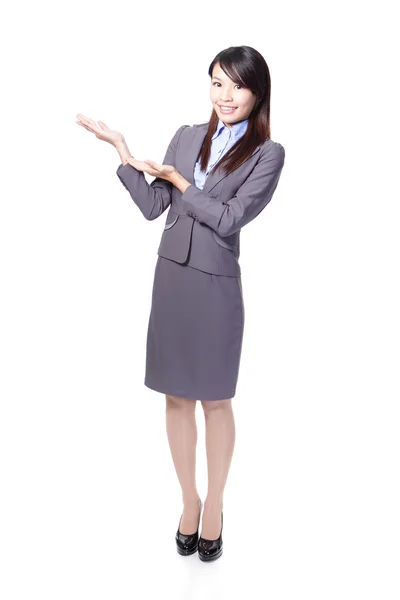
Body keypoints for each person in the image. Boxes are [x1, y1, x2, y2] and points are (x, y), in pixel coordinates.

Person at [76, 45, 285, 562]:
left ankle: (214, 504)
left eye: (236, 85)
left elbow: (231, 216)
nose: (225, 95)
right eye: (217, 83)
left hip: (214, 287)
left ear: (257, 92)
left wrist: (181, 182)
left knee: (215, 399)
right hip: (170, 280)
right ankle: (188, 501)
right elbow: (155, 207)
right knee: (175, 398)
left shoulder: (268, 153)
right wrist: (122, 154)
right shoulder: (187, 136)